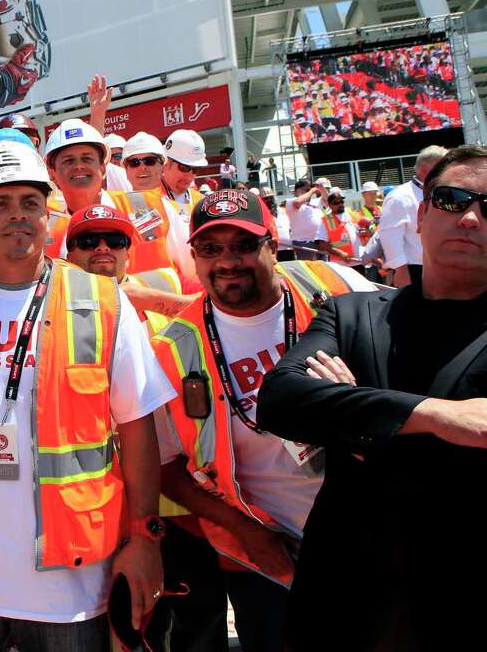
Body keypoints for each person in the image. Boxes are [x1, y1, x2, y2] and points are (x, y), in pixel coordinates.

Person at [0, 137, 174, 650]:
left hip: (73, 588)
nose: (17, 216)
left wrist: (145, 536)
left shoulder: (104, 301)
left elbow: (138, 429)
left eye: (30, 203)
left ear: (50, 216)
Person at [259, 144, 487, 651]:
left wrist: (350, 413)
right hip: (345, 599)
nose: (470, 218)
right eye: (452, 200)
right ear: (421, 214)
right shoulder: (352, 313)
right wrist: (438, 416)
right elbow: (279, 399)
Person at [149, 189, 377, 652]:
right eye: (211, 249)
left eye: (244, 245)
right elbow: (165, 466)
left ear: (273, 244)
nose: (228, 261)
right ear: (193, 257)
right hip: (267, 555)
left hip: (372, 533)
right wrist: (248, 533)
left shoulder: (335, 285)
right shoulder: (173, 349)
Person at [44, 119, 198, 285]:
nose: (79, 166)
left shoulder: (150, 207)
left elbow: (196, 272)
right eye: (68, 161)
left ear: (103, 168)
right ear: (52, 173)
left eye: (87, 159)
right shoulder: (47, 233)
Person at [64, 204, 192, 328]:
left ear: (127, 256)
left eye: (115, 241)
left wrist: (149, 299)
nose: (103, 248)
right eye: (88, 241)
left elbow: (210, 303)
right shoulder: (55, 301)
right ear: (70, 259)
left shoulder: (166, 280)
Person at [380, 144, 446, 287]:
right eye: (442, 168)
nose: (447, 171)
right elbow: (390, 236)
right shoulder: (399, 197)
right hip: (415, 270)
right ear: (424, 170)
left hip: (444, 266)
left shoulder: (442, 192)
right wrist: (401, 271)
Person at [161, 129, 207, 218]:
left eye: (195, 169)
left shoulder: (201, 202)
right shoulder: (149, 199)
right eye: (185, 167)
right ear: (166, 162)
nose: (190, 176)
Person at [315, 188, 359, 268]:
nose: (340, 204)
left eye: (342, 202)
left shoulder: (350, 214)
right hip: (340, 264)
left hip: (358, 261)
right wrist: (340, 253)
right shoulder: (328, 220)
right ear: (330, 205)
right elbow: (321, 244)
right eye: (336, 203)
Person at [285, 177, 326, 260]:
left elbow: (328, 201)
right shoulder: (290, 201)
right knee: (309, 269)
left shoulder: (314, 203)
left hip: (320, 242)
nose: (310, 193)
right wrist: (311, 191)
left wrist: (322, 189)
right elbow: (297, 202)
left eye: (309, 190)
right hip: (304, 242)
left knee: (323, 269)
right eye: (306, 190)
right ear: (297, 191)